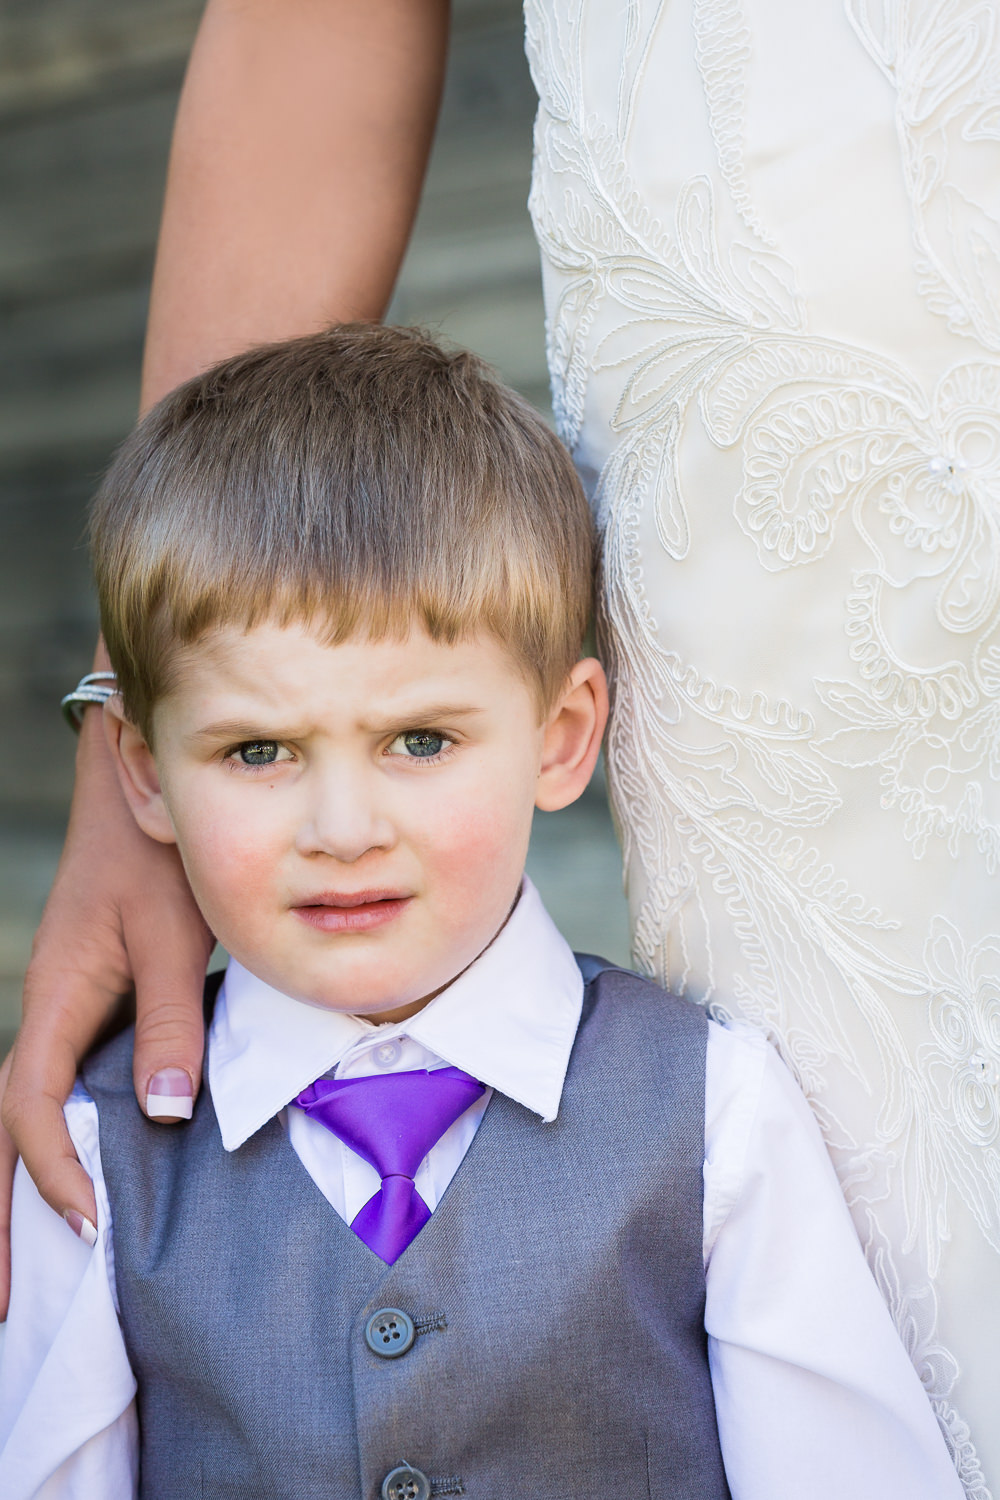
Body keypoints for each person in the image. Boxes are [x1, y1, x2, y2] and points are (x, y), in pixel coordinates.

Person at [4, 0, 998, 1493]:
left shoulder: (710, 1107)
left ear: (565, 734)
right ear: (141, 766)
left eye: (417, 737)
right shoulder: (97, 1157)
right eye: (259, 754)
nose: (343, 824)